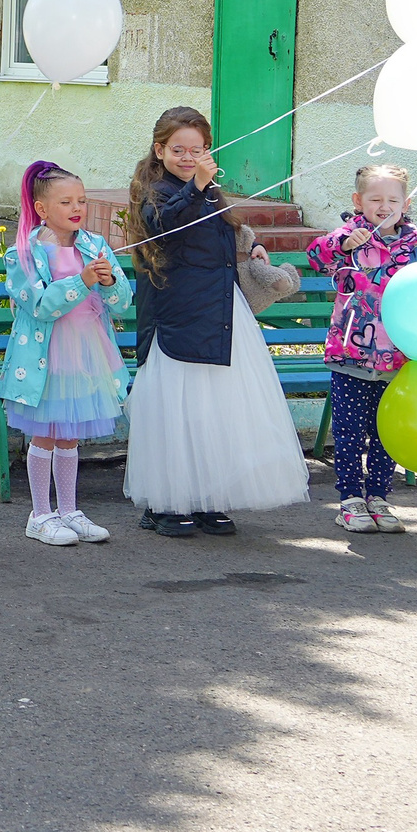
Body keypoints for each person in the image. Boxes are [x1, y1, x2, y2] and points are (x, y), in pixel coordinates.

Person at [121, 107, 308, 538]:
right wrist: (196, 186)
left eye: (198, 149)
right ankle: (164, 503)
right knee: (177, 411)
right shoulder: (154, 191)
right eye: (179, 149)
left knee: (216, 412)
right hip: (175, 317)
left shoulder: (206, 189)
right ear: (160, 150)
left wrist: (252, 244)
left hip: (220, 313)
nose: (189, 157)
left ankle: (208, 498)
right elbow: (163, 228)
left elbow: (222, 230)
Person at [0, 161, 131, 547]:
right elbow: (39, 305)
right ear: (41, 208)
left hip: (87, 354)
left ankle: (69, 510)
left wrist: (107, 283)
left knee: (69, 435)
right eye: (66, 201)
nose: (77, 208)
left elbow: (122, 302)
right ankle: (40, 515)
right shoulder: (24, 252)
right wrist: (82, 280)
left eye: (82, 200)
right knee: (46, 434)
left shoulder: (94, 245)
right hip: (46, 356)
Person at [305, 162, 417, 535]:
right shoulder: (350, 236)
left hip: (397, 356)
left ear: (405, 203)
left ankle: (378, 496)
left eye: (392, 199)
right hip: (351, 355)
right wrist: (341, 244)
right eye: (375, 199)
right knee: (349, 431)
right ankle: (349, 500)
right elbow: (316, 257)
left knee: (385, 432)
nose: (384, 206)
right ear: (358, 201)